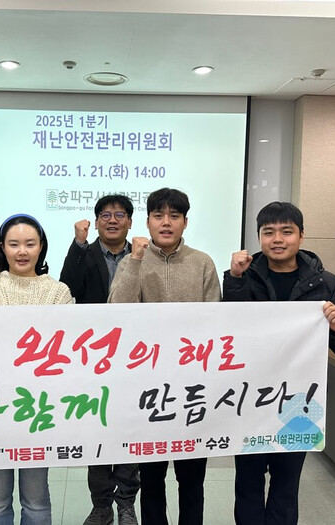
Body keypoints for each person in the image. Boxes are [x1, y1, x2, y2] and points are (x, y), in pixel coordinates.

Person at [222, 201, 335, 525]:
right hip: (249, 399)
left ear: (301, 236)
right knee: (247, 483)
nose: (277, 239)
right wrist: (235, 279)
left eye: (286, 231)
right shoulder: (244, 277)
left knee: (286, 486)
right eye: (268, 232)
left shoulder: (327, 283)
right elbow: (228, 329)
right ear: (258, 237)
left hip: (299, 402)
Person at [108, 188, 221, 525]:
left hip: (192, 389)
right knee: (152, 478)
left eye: (174, 216)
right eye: (159, 216)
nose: (166, 222)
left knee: (192, 480)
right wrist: (136, 261)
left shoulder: (202, 262)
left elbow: (214, 321)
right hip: (149, 388)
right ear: (148, 222)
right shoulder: (132, 261)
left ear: (185, 222)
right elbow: (116, 312)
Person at [0, 213, 73, 525]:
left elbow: (63, 348)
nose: (22, 251)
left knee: (36, 499)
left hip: (39, 406)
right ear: (2, 247)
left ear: (41, 247)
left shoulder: (58, 291)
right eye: (14, 244)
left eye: (30, 244)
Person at [59, 194, 140, 525]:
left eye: (120, 214)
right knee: (98, 433)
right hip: (93, 359)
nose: (112, 220)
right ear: (95, 223)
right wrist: (78, 245)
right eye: (105, 215)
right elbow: (67, 289)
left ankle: (126, 503)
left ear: (130, 222)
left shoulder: (142, 255)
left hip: (136, 358)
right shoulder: (84, 253)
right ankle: (101, 505)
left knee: (130, 430)